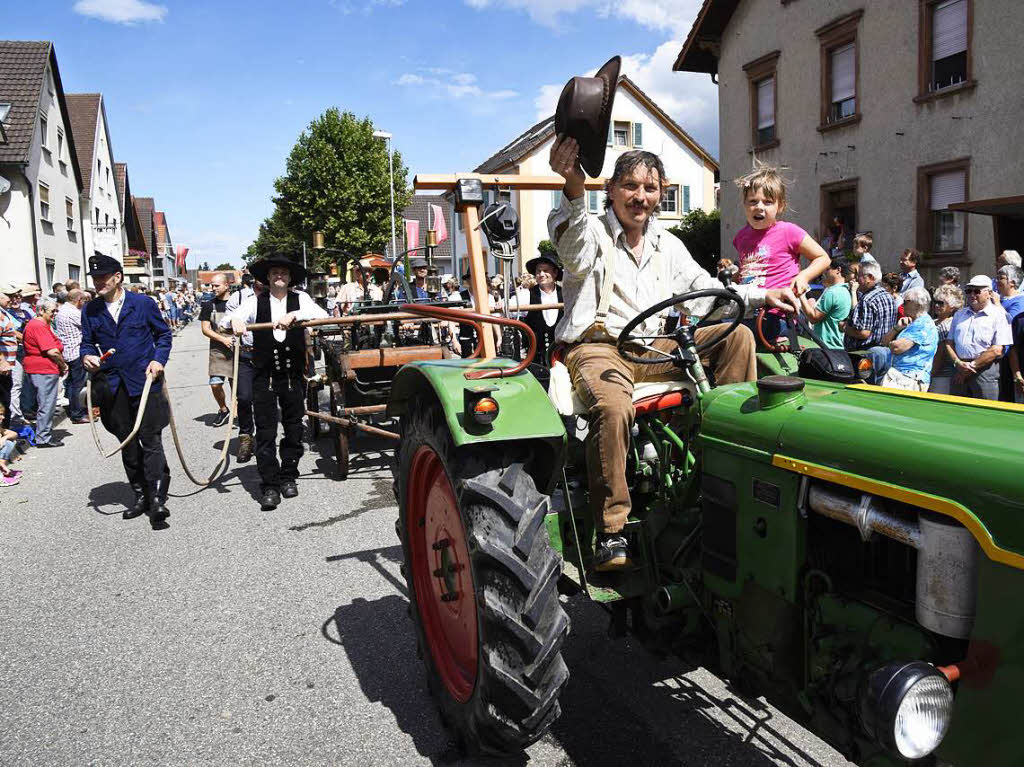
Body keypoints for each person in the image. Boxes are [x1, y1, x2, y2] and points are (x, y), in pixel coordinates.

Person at [548, 139, 797, 571]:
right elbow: (571, 252)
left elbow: (706, 293)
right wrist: (572, 187)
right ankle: (612, 530)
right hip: (597, 347)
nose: (639, 197)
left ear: (661, 193)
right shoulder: (589, 229)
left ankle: (723, 465)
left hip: (651, 347)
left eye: (649, 187)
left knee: (734, 337)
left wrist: (762, 295)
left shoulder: (668, 243)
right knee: (612, 405)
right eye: (629, 186)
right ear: (610, 189)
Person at [223, 255, 327, 509]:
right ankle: (269, 484)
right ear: (267, 279)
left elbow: (322, 315)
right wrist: (235, 321)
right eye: (274, 273)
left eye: (283, 272)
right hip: (264, 375)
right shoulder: (254, 302)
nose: (279, 276)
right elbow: (226, 321)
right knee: (266, 430)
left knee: (293, 427)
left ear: (290, 278)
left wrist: (295, 315)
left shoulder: (300, 299)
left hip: (292, 376)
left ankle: (289, 475)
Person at [81, 254, 173, 526]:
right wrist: (87, 356)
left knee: (151, 439)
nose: (98, 282)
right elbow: (86, 343)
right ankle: (140, 495)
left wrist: (158, 360)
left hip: (144, 382)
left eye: (103, 277)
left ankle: (157, 498)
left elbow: (163, 335)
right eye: (95, 278)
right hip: (113, 386)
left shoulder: (142, 304)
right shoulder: (91, 310)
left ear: (118, 277)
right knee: (127, 442)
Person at [945, 275, 1012, 401]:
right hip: (959, 367)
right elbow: (949, 342)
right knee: (956, 412)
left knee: (986, 414)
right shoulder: (959, 314)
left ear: (990, 293)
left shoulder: (999, 315)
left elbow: (997, 349)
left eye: (977, 291)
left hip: (985, 370)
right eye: (968, 291)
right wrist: (958, 363)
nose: (972, 295)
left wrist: (971, 367)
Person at [224, 277, 262, 463]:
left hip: (269, 355)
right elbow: (225, 321)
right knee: (244, 397)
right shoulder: (238, 298)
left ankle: (265, 440)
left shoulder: (278, 296)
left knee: (266, 398)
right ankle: (246, 437)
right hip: (245, 355)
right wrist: (233, 322)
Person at [22, 299, 67, 448]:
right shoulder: (38, 325)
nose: (55, 314)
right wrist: (63, 364)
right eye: (52, 311)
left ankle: (43, 435)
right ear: (41, 311)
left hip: (42, 368)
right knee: (47, 404)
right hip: (43, 369)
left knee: (46, 403)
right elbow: (52, 351)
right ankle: (43, 437)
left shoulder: (40, 324)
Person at [878, 287, 939, 391]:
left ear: (918, 304)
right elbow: (883, 342)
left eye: (906, 302)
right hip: (900, 377)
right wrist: (897, 328)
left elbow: (897, 348)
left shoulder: (922, 323)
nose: (902, 305)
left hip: (909, 379)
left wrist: (892, 343)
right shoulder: (912, 323)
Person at [200, 274, 235, 427]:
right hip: (218, 351)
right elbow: (205, 329)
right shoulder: (209, 305)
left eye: (216, 285)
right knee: (215, 384)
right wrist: (223, 339)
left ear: (227, 286)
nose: (213, 288)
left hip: (237, 350)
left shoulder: (238, 303)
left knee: (238, 387)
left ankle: (238, 412)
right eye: (212, 285)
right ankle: (223, 408)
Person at [844, 260, 898, 356]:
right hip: (884, 353)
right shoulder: (889, 296)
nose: (856, 279)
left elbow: (863, 333)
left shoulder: (867, 300)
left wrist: (844, 327)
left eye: (859, 275)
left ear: (870, 278)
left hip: (865, 356)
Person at [798, 255, 851, 349]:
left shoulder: (832, 293)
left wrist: (801, 295)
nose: (825, 273)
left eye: (828, 269)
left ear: (838, 270)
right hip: (837, 347)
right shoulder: (846, 292)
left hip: (825, 347)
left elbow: (813, 318)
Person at [522, 253, 565, 366]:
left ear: (555, 273)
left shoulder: (565, 294)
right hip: (536, 360)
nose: (541, 274)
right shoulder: (526, 295)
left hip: (563, 357)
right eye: (538, 271)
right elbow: (509, 307)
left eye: (545, 270)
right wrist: (500, 304)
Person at [54, 288, 89, 424]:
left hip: (67, 351)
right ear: (79, 300)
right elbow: (87, 326)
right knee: (77, 385)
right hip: (75, 351)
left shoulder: (62, 310)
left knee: (71, 384)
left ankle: (72, 409)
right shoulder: (73, 313)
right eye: (84, 300)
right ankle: (76, 414)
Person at [928, 284, 965, 394]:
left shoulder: (948, 325)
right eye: (936, 302)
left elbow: (941, 353)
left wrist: (931, 373)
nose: (937, 306)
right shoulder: (934, 322)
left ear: (952, 307)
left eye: (941, 303)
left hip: (941, 376)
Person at [0, 287, 18, 431]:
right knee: (3, 402)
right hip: (2, 368)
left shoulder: (4, 313)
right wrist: (2, 361)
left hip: (7, 367)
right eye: (8, 296)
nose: (12, 299)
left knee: (6, 400)